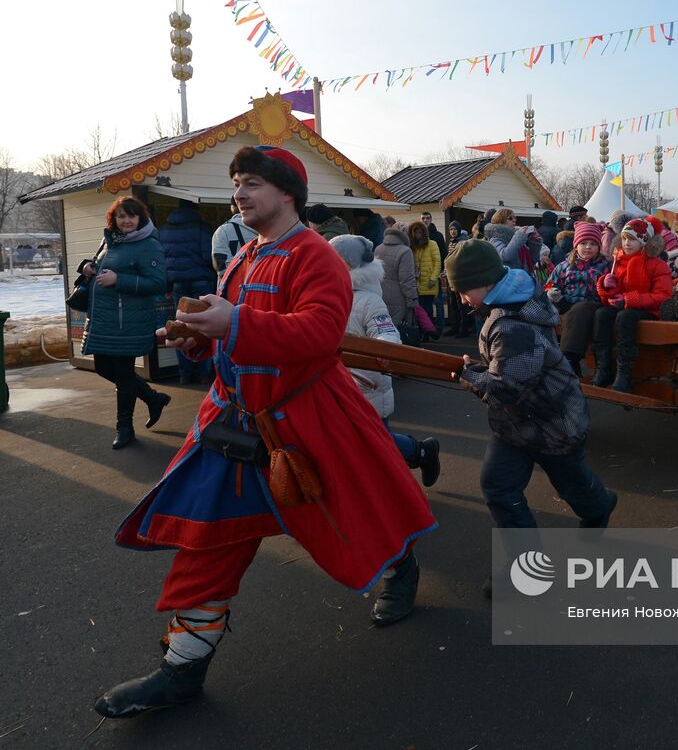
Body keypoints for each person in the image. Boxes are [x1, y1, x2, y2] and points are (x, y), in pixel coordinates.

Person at [95, 147, 437, 718]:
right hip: (231, 427)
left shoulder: (316, 257)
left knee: (362, 510)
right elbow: (233, 327)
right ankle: (181, 669)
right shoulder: (245, 255)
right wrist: (199, 336)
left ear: (287, 194)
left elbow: (320, 336)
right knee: (208, 542)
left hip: (308, 422)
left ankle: (401, 569)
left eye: (250, 182)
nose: (239, 193)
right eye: (236, 183)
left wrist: (235, 322)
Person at [445, 238, 617, 597]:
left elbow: (506, 387)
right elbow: (507, 374)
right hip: (516, 423)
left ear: (487, 282)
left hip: (553, 422)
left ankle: (600, 506)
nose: (462, 298)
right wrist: (482, 370)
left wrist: (470, 376)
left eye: (464, 290)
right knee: (498, 487)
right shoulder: (506, 305)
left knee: (573, 487)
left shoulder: (513, 326)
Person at [329, 234, 441, 487]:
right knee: (356, 439)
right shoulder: (328, 294)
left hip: (367, 385)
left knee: (377, 440)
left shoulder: (369, 300)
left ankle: (418, 452)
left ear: (349, 264)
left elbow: (387, 332)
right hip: (337, 383)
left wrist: (385, 349)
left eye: (333, 260)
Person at [80, 197, 171, 450]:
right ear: (114, 219)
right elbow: (102, 268)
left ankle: (125, 428)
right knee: (104, 369)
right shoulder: (110, 241)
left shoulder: (148, 244)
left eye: (131, 215)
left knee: (122, 376)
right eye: (121, 216)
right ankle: (154, 398)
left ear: (140, 218)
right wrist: (89, 267)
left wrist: (119, 279)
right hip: (104, 320)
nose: (127, 220)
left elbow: (158, 284)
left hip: (127, 322)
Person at [593, 219, 673, 391]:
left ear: (644, 242)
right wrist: (607, 286)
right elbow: (614, 292)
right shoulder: (619, 261)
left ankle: (624, 372)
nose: (627, 243)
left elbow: (663, 296)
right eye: (624, 238)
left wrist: (629, 300)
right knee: (602, 314)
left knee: (625, 316)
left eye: (632, 239)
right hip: (625, 305)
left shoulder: (658, 265)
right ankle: (604, 366)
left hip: (649, 310)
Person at [159, 202, 217, 386]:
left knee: (181, 325)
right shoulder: (201, 227)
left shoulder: (164, 230)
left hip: (178, 283)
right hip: (201, 281)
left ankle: (184, 373)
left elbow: (164, 262)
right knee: (205, 325)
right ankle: (205, 373)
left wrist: (167, 287)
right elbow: (210, 257)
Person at [544, 222, 611, 376]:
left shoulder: (605, 266)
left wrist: (609, 286)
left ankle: (569, 358)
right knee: (559, 312)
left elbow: (612, 286)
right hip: (567, 303)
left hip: (592, 303)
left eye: (593, 244)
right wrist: (552, 292)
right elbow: (549, 284)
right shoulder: (564, 266)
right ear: (576, 245)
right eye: (584, 243)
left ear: (599, 247)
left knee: (580, 309)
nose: (588, 247)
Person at [375, 222, 418, 332]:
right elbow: (407, 280)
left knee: (382, 330)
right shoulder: (405, 251)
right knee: (397, 331)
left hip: (379, 295)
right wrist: (412, 301)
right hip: (398, 297)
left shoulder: (378, 248)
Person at [409, 220, 443, 342]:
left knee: (427, 309)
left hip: (429, 283)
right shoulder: (413, 247)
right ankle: (423, 331)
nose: (417, 234)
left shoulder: (432, 244)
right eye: (415, 232)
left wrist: (433, 278)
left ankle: (428, 333)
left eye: (419, 232)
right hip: (417, 283)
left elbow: (437, 262)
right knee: (419, 310)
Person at [421, 211, 448, 335]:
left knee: (438, 302)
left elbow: (443, 254)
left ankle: (440, 326)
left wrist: (441, 270)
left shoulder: (437, 235)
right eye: (423, 218)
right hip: (422, 275)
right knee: (425, 303)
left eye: (427, 218)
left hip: (435, 273)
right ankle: (428, 326)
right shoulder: (418, 235)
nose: (425, 220)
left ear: (431, 220)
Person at [211, 202, 257, 274]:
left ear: (233, 207)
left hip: (233, 282)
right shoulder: (269, 228)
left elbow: (221, 265)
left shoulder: (223, 230)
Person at [444, 221, 473, 337]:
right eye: (451, 229)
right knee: (453, 304)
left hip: (460, 276)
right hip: (450, 276)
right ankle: (455, 327)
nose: (452, 231)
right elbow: (449, 258)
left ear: (459, 230)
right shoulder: (451, 242)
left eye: (454, 229)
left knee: (462, 305)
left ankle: (464, 329)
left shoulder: (463, 242)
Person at [484, 207, 533, 272]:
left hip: (520, 277)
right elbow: (505, 256)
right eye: (510, 218)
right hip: (508, 279)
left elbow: (532, 258)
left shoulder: (515, 236)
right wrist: (519, 236)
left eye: (515, 218)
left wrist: (535, 242)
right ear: (501, 220)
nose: (514, 220)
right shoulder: (495, 239)